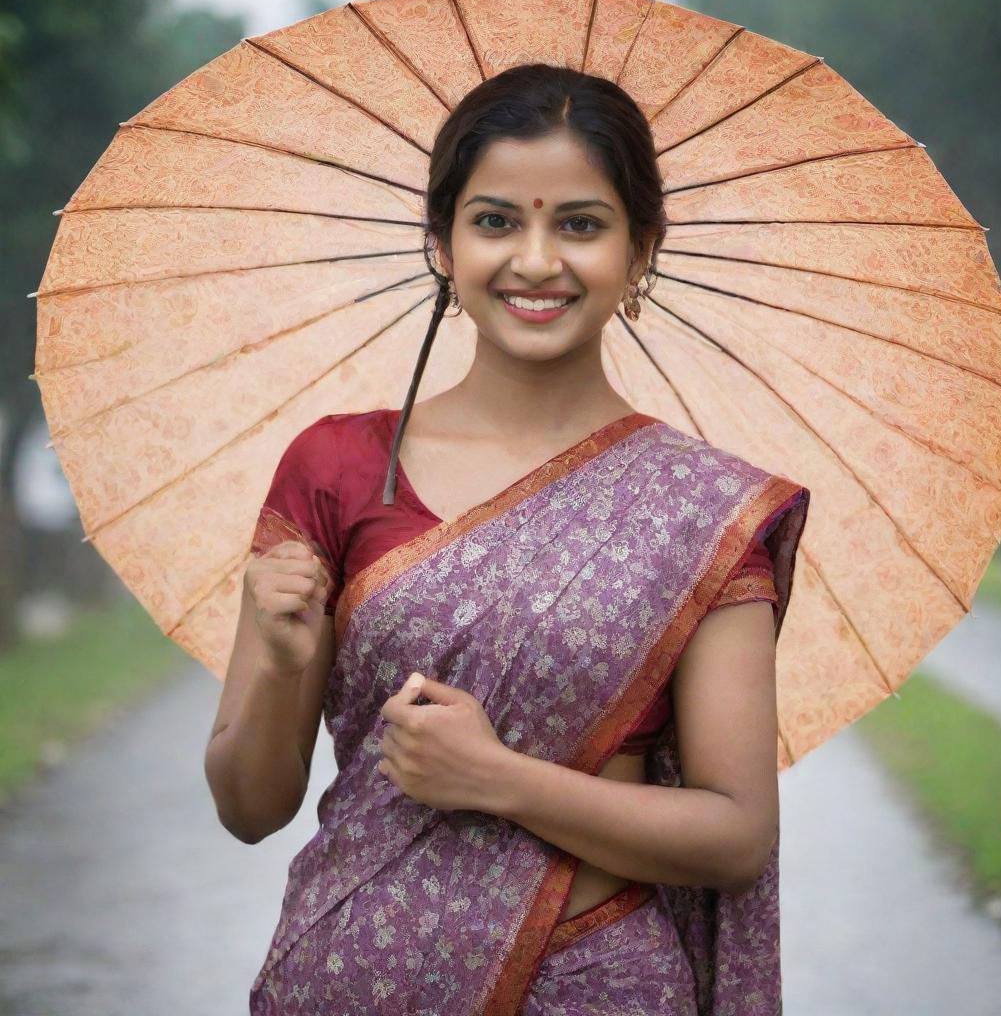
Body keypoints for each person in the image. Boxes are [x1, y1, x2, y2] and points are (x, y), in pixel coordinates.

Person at [205, 63, 809, 1015]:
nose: (535, 260)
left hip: (591, 985)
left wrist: (496, 780)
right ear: (441, 242)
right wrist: (281, 665)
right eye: (494, 221)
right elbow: (248, 809)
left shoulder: (703, 510)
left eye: (580, 223)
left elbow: (734, 836)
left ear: (640, 248)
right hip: (345, 981)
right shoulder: (337, 467)